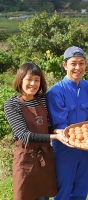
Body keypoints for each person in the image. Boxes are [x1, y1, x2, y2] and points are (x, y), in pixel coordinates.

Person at [4, 62, 69, 200]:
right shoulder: (12, 104)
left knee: (43, 197)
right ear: (20, 80)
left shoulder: (42, 100)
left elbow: (48, 125)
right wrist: (54, 137)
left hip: (44, 159)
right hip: (25, 160)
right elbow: (24, 135)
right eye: (29, 79)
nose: (33, 84)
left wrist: (58, 131)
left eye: (37, 80)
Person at [46, 46, 88, 200]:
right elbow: (60, 125)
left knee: (81, 189)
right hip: (64, 149)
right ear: (64, 65)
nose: (77, 67)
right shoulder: (56, 92)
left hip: (86, 148)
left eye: (81, 63)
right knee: (63, 190)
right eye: (73, 63)